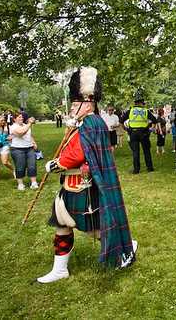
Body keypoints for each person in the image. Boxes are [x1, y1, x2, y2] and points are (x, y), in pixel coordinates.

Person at [39, 67, 136, 283]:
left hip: (84, 186)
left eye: (75, 104)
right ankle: (60, 269)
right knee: (62, 225)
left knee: (95, 229)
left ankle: (125, 246)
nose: (72, 108)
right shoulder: (84, 123)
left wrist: (57, 164)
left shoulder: (92, 122)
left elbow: (78, 153)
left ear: (88, 103)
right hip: (71, 185)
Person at [123, 90, 155, 174]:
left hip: (133, 133)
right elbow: (154, 120)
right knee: (146, 151)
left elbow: (121, 120)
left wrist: (126, 129)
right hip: (144, 133)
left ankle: (136, 169)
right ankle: (150, 168)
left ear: (135, 103)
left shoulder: (130, 111)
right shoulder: (145, 111)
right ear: (141, 103)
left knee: (135, 152)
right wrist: (151, 129)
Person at [10, 112, 39, 191]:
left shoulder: (25, 126)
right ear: (14, 119)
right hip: (17, 149)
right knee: (20, 167)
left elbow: (29, 135)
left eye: (22, 117)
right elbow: (21, 133)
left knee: (32, 165)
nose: (21, 118)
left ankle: (33, 183)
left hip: (29, 148)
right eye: (19, 117)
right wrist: (29, 123)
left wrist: (33, 142)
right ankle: (20, 184)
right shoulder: (13, 127)